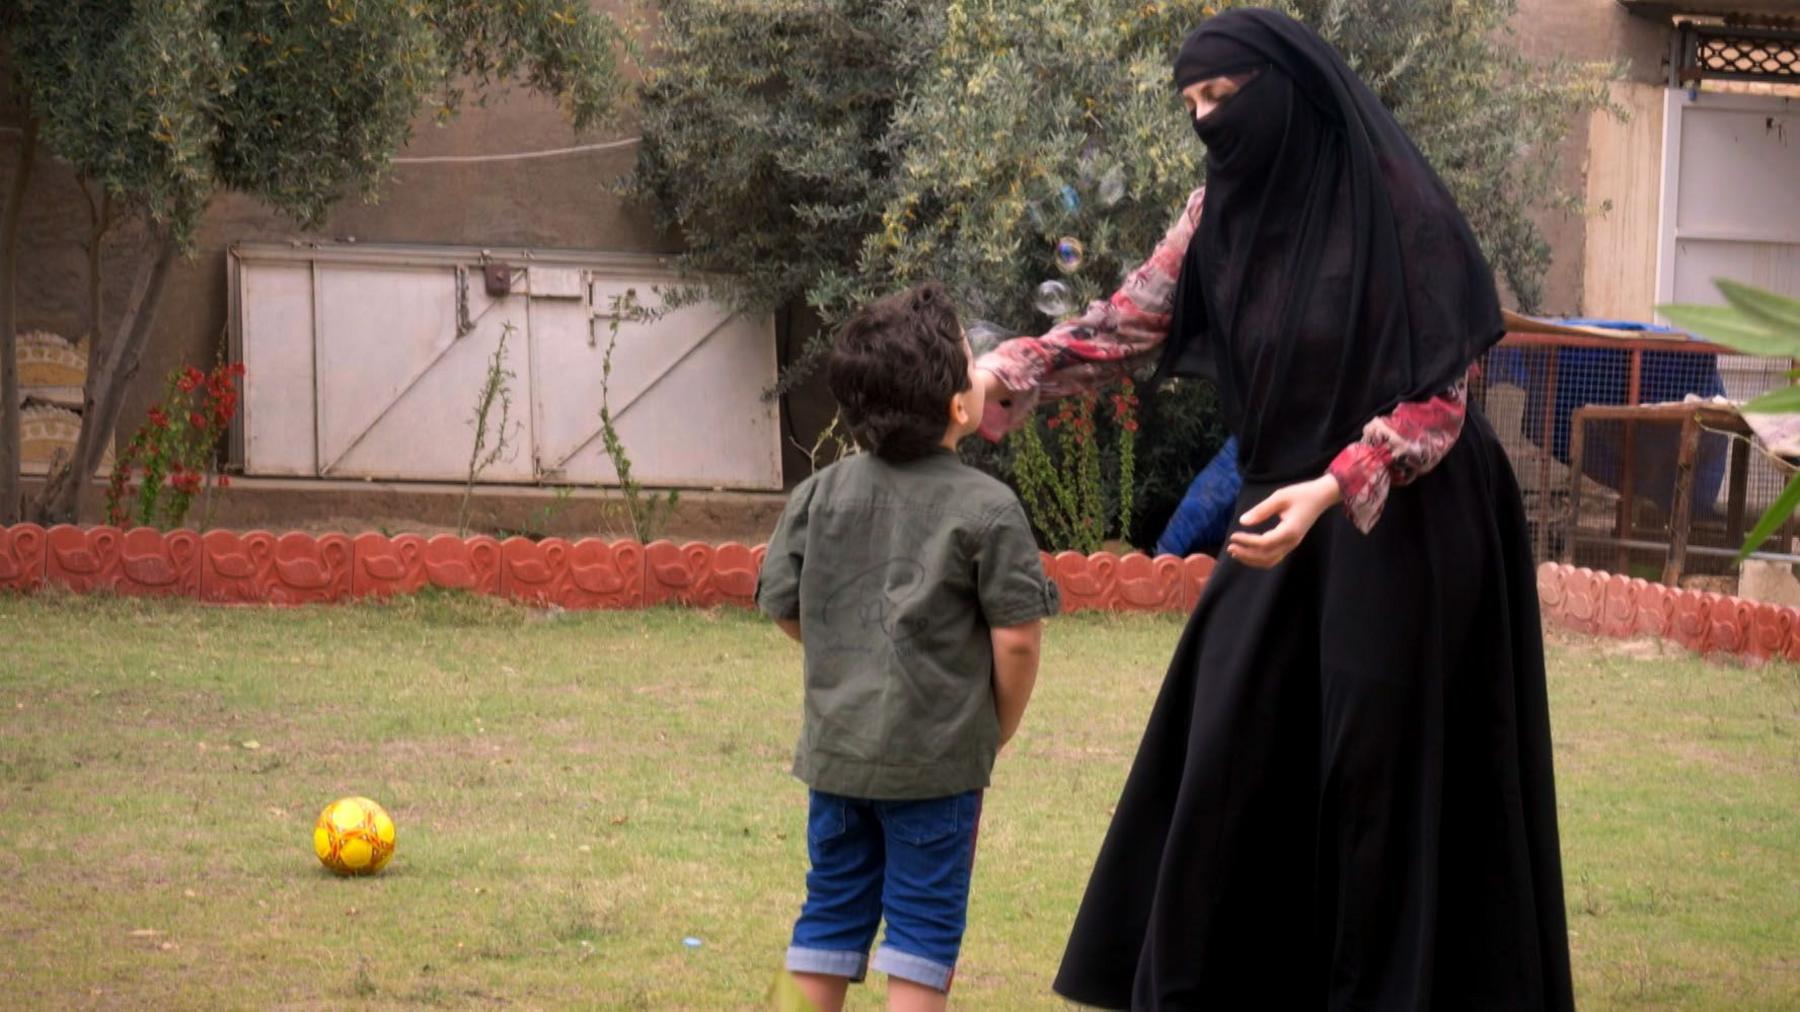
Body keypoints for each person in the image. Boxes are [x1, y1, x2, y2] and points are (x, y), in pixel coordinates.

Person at [973, 9, 1573, 1009]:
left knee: (1376, 768)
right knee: (1228, 748)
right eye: (1193, 106)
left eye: (1223, 97)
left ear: (1288, 91)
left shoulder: (1394, 209)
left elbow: (1444, 396)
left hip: (1404, 518)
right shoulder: (1218, 214)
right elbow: (1128, 321)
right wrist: (1015, 364)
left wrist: (1338, 482)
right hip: (1276, 508)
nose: (1209, 122)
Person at [757, 282, 1061, 1012]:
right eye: (971, 360)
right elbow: (1017, 641)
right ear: (962, 407)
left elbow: (784, 607)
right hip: (938, 767)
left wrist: (849, 650)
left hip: (839, 757)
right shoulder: (988, 509)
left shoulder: (817, 495)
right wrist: (998, 723)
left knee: (826, 917)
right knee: (921, 940)